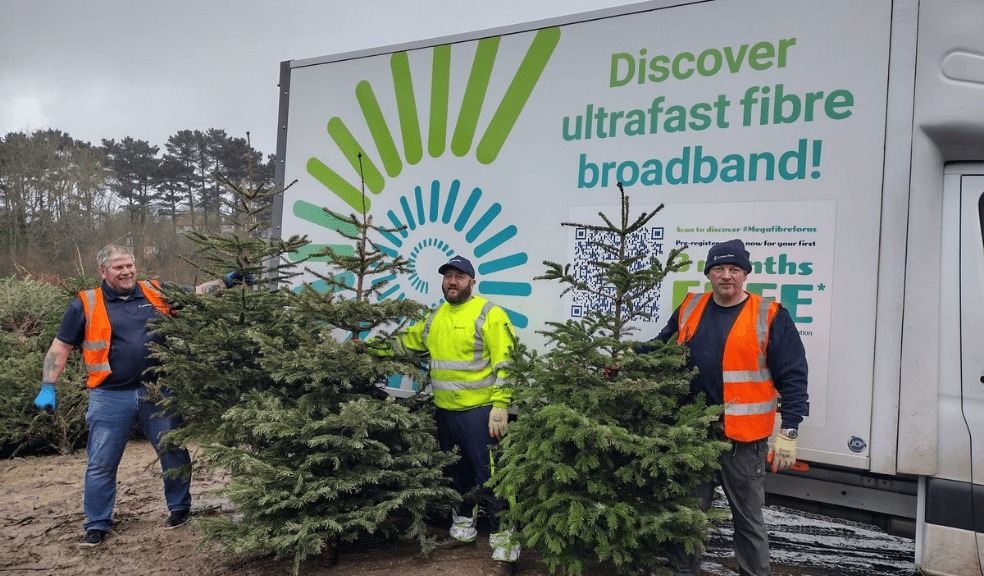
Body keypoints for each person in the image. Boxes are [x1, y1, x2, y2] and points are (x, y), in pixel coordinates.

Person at [31, 244, 235, 548]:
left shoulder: (155, 290)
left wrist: (229, 281)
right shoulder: (86, 303)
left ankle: (179, 509)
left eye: (129, 265)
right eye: (118, 267)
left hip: (158, 391)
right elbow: (60, 347)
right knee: (101, 461)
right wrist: (48, 385)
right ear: (103, 271)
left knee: (173, 452)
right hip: (109, 396)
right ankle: (97, 524)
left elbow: (196, 293)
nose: (126, 271)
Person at [654, 239, 809, 576]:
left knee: (749, 520)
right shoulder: (691, 306)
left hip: (743, 440)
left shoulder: (769, 314)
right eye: (719, 269)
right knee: (689, 516)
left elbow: (794, 375)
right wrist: (626, 361)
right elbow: (660, 348)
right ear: (709, 273)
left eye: (734, 269)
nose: (726, 275)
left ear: (745, 275)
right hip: (694, 433)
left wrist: (790, 429)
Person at [394, 255, 519, 574]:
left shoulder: (489, 314)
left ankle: (506, 544)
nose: (452, 281)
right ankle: (463, 529)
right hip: (446, 413)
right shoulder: (436, 317)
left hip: (480, 414)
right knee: (458, 475)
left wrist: (501, 404)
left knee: (491, 477)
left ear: (472, 281)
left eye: (459, 276)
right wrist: (366, 348)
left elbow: (506, 362)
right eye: (448, 276)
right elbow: (407, 344)